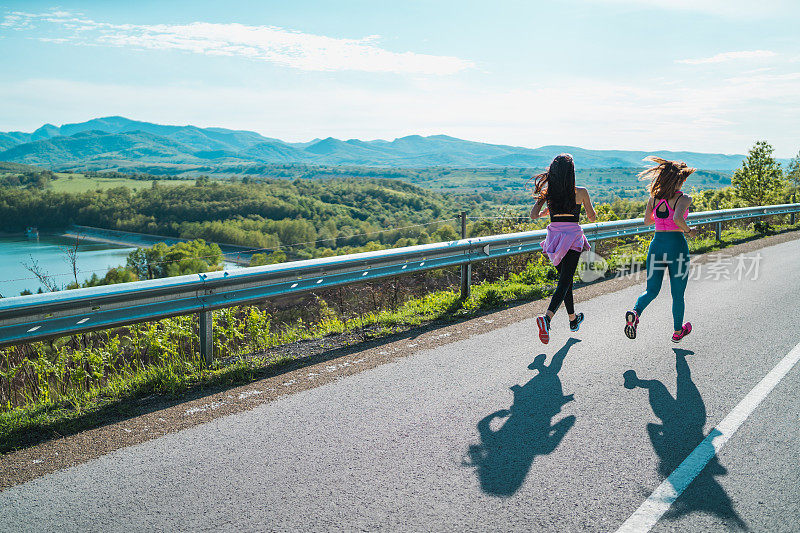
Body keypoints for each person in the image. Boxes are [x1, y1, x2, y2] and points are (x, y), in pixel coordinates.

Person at [625, 156, 697, 343]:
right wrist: (689, 231)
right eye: (683, 180)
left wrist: (659, 216)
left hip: (656, 245)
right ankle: (677, 331)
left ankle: (635, 312)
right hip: (676, 246)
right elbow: (678, 220)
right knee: (678, 294)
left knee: (651, 290)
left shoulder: (654, 197)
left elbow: (647, 221)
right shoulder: (683, 198)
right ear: (678, 180)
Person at [530, 154, 596, 344]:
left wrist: (546, 204)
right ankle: (547, 318)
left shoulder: (550, 193)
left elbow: (534, 215)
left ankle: (573, 320)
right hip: (573, 238)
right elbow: (591, 217)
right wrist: (588, 210)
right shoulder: (581, 191)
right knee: (565, 281)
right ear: (571, 172)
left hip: (554, 240)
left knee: (564, 281)